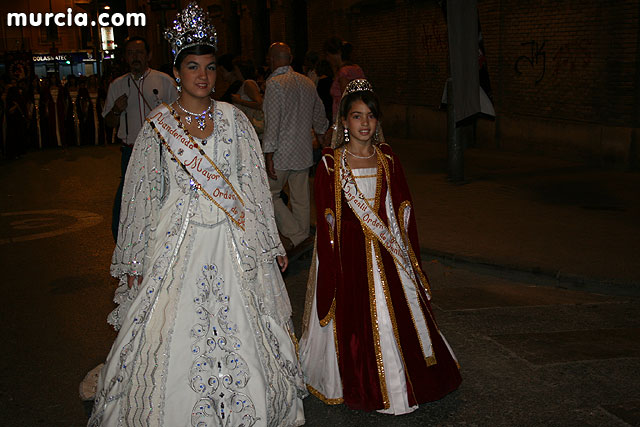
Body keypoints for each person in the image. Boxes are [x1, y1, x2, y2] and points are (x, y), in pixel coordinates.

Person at [88, 3, 305, 426]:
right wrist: (134, 258)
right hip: (177, 240)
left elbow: (253, 187)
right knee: (168, 330)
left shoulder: (234, 120)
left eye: (208, 67)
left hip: (231, 239)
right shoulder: (158, 126)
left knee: (245, 324)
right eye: (192, 67)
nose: (202, 76)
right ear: (177, 72)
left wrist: (268, 241)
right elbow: (142, 196)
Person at [299, 79, 462, 414]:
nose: (364, 123)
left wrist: (403, 252)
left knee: (398, 316)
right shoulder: (331, 165)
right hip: (351, 256)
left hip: (387, 254)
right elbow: (327, 221)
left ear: (378, 121)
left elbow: (399, 211)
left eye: (370, 116)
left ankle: (407, 380)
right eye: (357, 116)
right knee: (358, 318)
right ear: (344, 121)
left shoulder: (388, 160)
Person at [102, 36, 178, 241]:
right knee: (127, 198)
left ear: (148, 56)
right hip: (131, 149)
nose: (135, 57)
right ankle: (124, 242)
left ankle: (163, 240)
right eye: (130, 53)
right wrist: (117, 111)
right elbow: (108, 122)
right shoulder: (117, 85)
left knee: (162, 195)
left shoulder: (165, 81)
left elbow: (180, 116)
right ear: (125, 57)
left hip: (161, 149)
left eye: (139, 53)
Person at [262, 42, 329, 253]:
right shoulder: (307, 82)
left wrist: (268, 153)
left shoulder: (275, 84)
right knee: (301, 199)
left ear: (271, 59)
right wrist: (321, 134)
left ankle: (298, 236)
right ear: (290, 59)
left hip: (282, 152)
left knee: (268, 194)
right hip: (302, 150)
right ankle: (303, 240)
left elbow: (272, 122)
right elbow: (319, 114)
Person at [323, 37, 366, 118]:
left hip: (344, 117)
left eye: (328, 55)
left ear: (336, 54)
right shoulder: (357, 69)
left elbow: (346, 100)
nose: (327, 59)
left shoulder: (343, 73)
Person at [231, 57, 264, 139]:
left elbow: (259, 104)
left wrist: (239, 101)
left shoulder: (248, 83)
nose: (234, 72)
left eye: (236, 70)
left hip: (252, 122)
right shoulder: (244, 84)